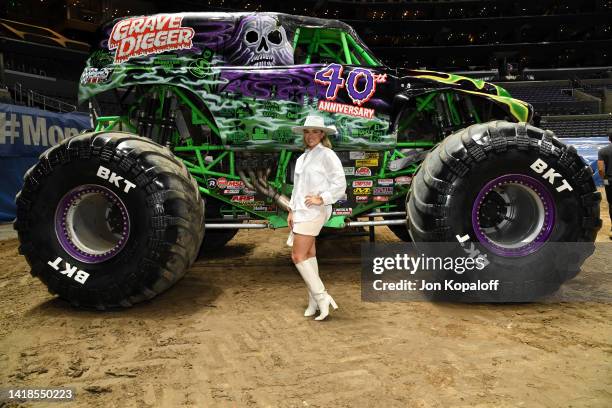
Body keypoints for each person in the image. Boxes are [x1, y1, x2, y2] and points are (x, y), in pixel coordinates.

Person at [287, 115, 347, 320]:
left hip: (315, 212)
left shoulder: (327, 155)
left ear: (322, 134)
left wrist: (322, 198)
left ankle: (322, 297)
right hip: (301, 212)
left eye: (315, 131)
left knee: (297, 256)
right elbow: (297, 189)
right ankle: (313, 300)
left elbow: (340, 184)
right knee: (309, 255)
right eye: (307, 131)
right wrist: (291, 210)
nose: (310, 135)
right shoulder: (302, 158)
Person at [597, 129, 612, 239]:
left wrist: (604, 179)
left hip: (610, 181)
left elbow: (601, 169)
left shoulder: (602, 151)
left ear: (609, 138)